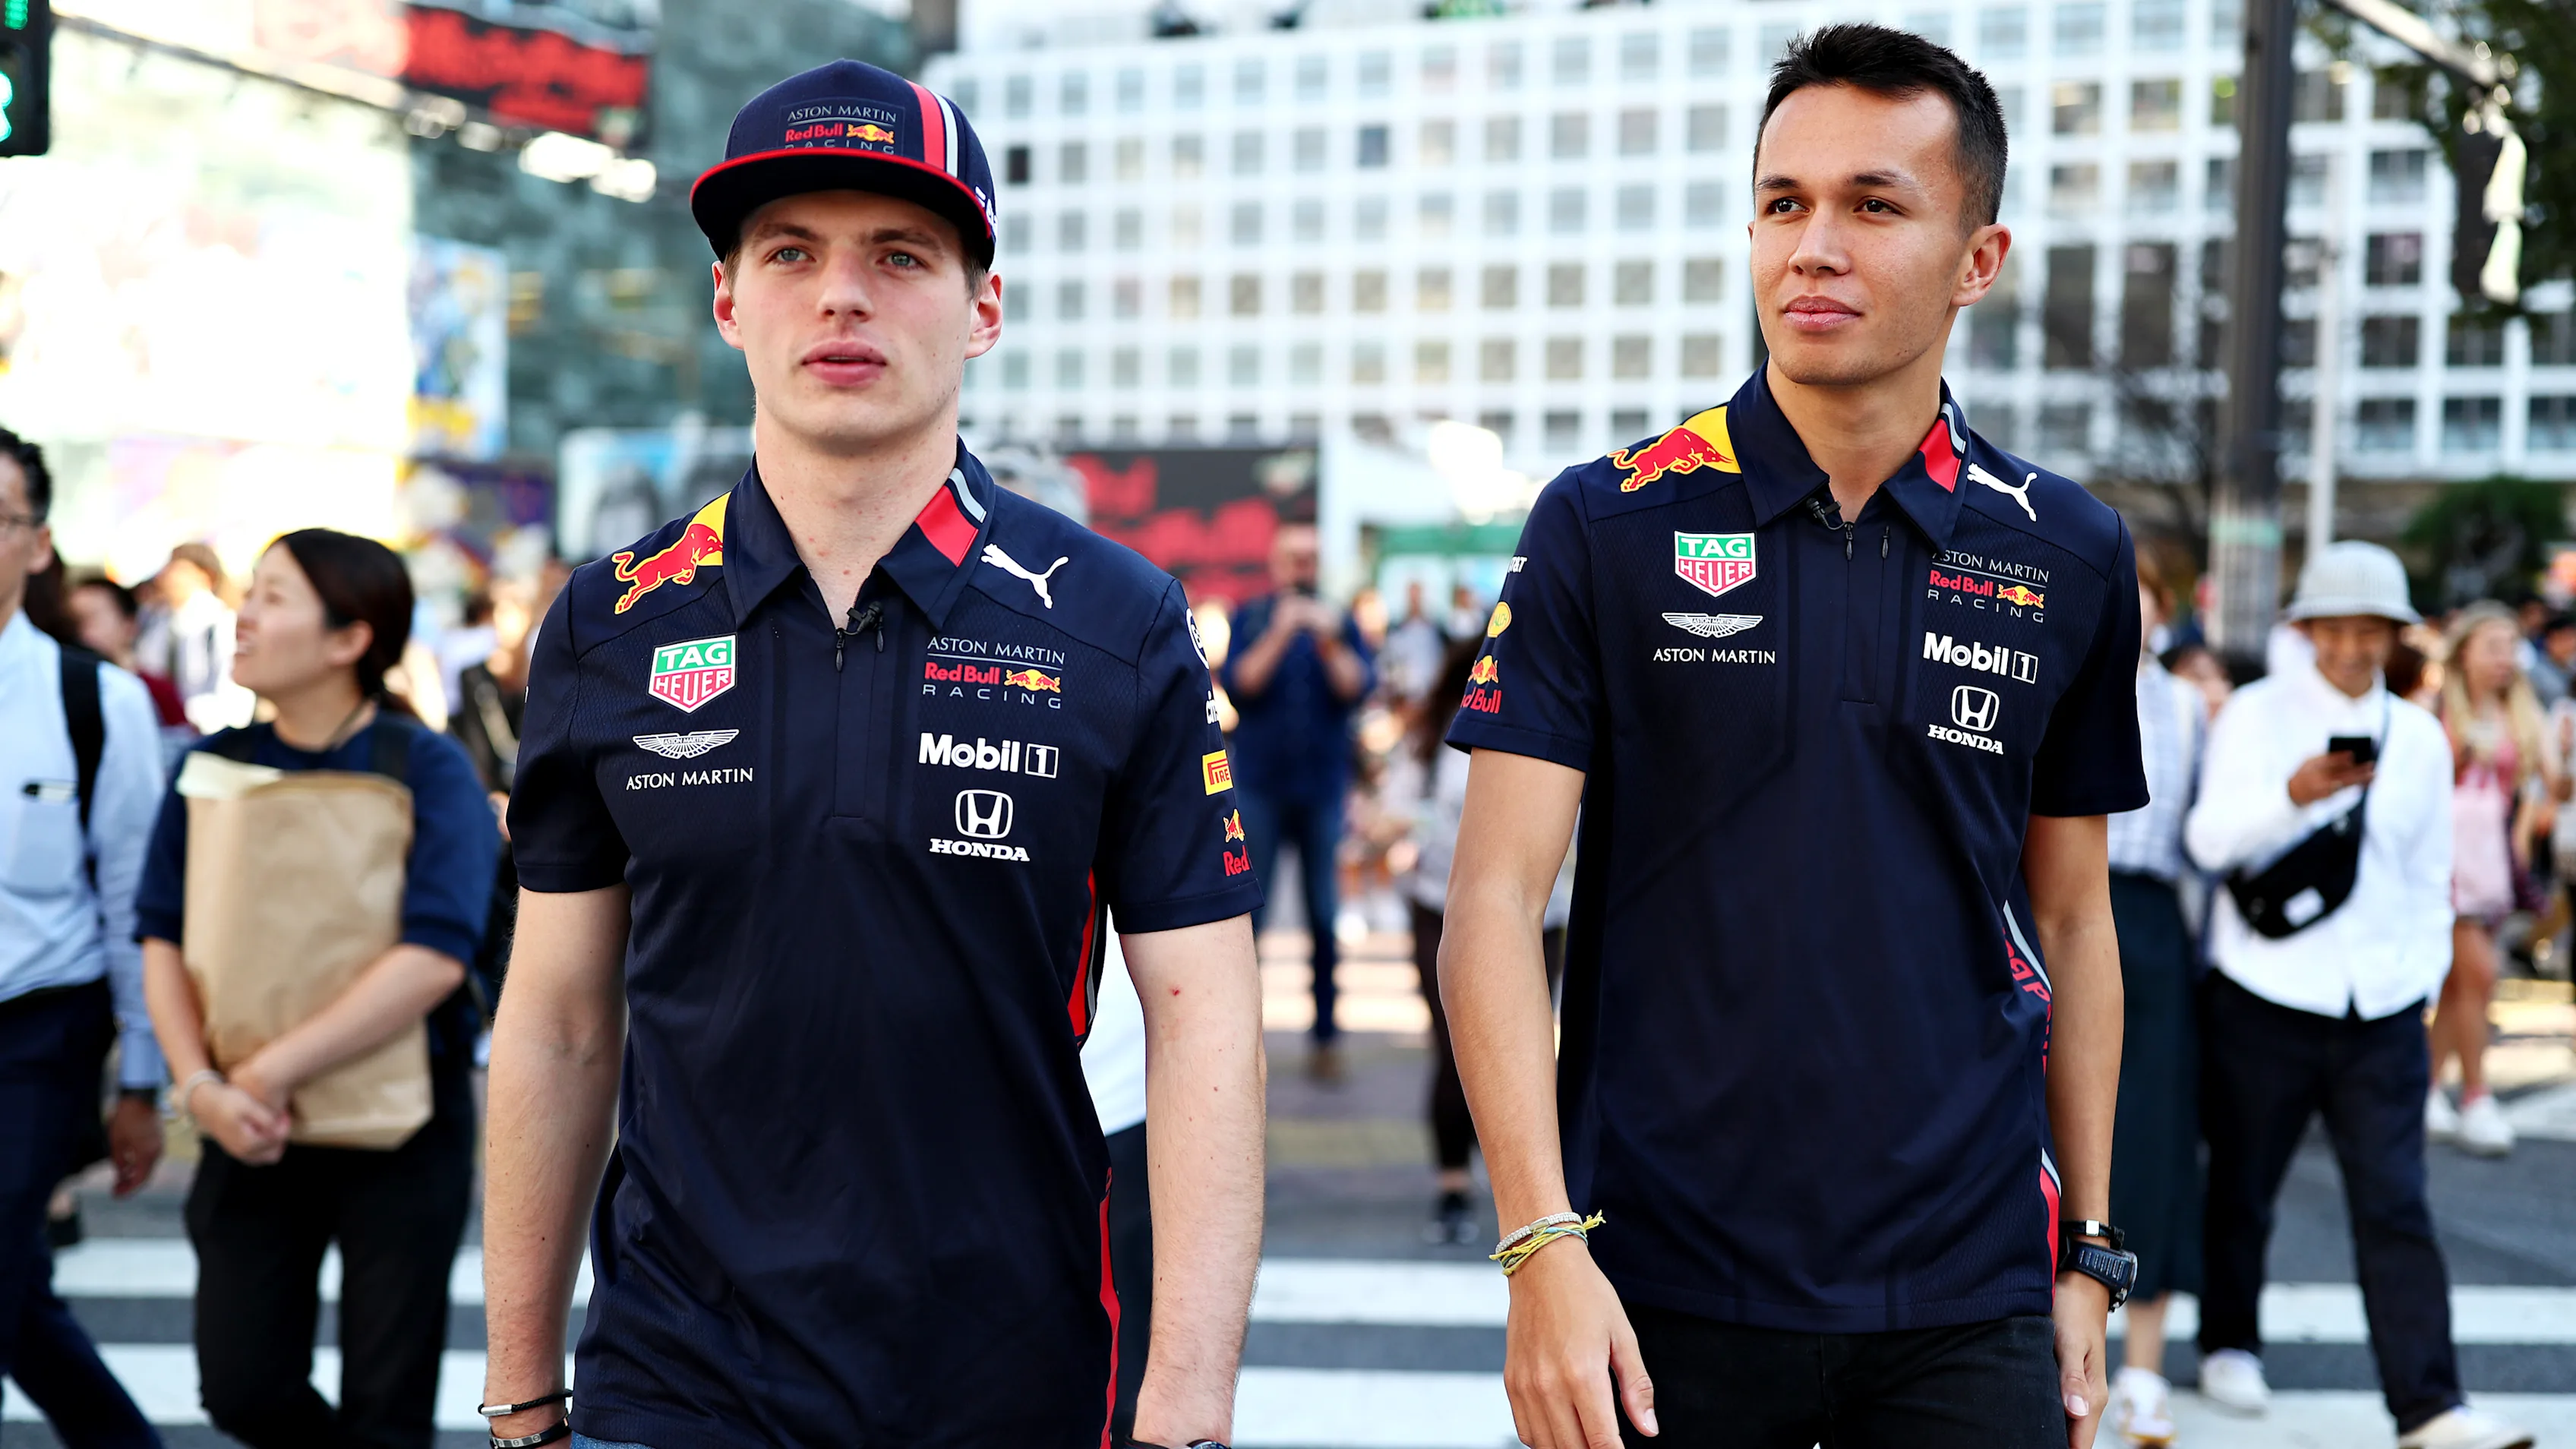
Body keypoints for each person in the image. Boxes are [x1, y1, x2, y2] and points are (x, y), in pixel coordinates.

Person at [481, 61, 1266, 1449]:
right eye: (791, 253)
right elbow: (557, 1021)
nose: (841, 295)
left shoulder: (1116, 618)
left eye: (900, 256)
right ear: (728, 301)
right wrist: (521, 1389)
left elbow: (1206, 1017)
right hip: (673, 1382)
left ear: (983, 309)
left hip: (1008, 1379)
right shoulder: (608, 623)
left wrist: (1188, 1405)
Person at [1441, 27, 2147, 1449]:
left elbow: (2075, 921)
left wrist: (2090, 1251)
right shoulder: (1604, 521)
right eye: (1784, 202)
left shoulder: (2068, 549)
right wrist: (1539, 1247)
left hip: (1970, 1295)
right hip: (1652, 1286)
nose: (1813, 246)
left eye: (1873, 205)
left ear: (1978, 259)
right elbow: (1495, 901)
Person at [137, 529, 499, 1449]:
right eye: (250, 593)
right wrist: (202, 1089)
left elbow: (437, 951)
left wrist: (264, 1074)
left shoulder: (424, 765)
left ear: (350, 638)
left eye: (274, 597)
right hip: (247, 1127)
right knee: (242, 1388)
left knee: (389, 1405)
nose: (245, 617)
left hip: (400, 1124)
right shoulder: (208, 763)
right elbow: (161, 935)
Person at [2185, 541, 2531, 1449]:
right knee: (2241, 1189)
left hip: (2378, 1008)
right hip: (2261, 993)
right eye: (2331, 630)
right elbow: (2207, 841)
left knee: (2395, 1203)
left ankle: (2427, 1404)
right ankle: (2228, 1343)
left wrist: (2414, 981)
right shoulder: (2254, 715)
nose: (2347, 648)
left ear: (2393, 636)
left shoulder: (2414, 737)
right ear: (2304, 631)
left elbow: (2426, 876)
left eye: (2367, 631)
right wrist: (2292, 796)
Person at [0, 428, 166, 1448]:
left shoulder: (96, 700)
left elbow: (131, 900)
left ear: (36, 542)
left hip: (35, 1028)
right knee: (14, 1290)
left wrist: (141, 1082)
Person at [1394, 635, 1570, 1245]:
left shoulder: (1558, 722)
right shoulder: (1435, 733)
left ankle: (1528, 1199)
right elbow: (1397, 808)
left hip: (1540, 914)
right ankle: (1453, 1188)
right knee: (1456, 1048)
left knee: (1528, 1049)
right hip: (1441, 906)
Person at [2101, 565, 2205, 1447]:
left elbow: (2200, 839)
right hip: (2055, 908)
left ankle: (2141, 1370)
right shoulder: (2049, 674)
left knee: (2153, 1139)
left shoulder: (2187, 706)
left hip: (2152, 921)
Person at [1220, 519, 1375, 1080]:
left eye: (1311, 558)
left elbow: (1356, 688)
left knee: (1324, 918)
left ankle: (1326, 1038)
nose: (1303, 567)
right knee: (1250, 920)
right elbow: (1241, 685)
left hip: (1322, 791)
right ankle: (1239, 1041)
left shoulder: (1340, 620)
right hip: (1260, 789)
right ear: (1277, 562)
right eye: (1295, 558)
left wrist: (1328, 638)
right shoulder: (1252, 617)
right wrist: (1283, 632)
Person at [2427, 602, 2563, 1157]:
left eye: (2511, 647)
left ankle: (2429, 1089)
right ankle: (2477, 1097)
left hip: (2493, 862)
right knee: (2480, 976)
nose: (2504, 659)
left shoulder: (2522, 712)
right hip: (2446, 861)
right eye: (2493, 646)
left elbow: (2549, 786)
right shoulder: (2439, 709)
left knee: (2458, 984)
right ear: (2464, 653)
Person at [136, 541, 252, 734]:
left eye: (177, 569)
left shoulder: (221, 624)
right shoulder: (156, 621)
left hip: (208, 735)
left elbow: (233, 698)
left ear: (205, 575)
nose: (166, 576)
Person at [67, 575, 191, 735]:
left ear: (129, 624)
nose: (80, 631)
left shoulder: (158, 692)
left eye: (90, 618)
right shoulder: (66, 692)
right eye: (71, 622)